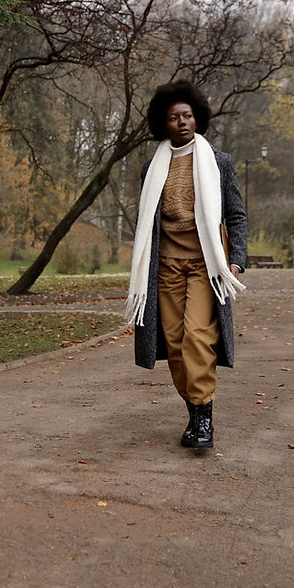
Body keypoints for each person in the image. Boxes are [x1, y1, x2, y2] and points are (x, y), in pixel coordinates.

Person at [126, 79, 248, 449]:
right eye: (174, 117)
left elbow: (237, 216)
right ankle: (195, 416)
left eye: (188, 116)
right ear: (162, 124)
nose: (182, 122)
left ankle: (204, 415)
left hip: (204, 266)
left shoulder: (218, 163)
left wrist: (237, 261)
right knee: (176, 344)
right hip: (165, 269)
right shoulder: (152, 168)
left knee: (197, 335)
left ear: (198, 119)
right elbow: (148, 220)